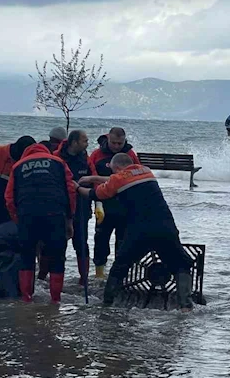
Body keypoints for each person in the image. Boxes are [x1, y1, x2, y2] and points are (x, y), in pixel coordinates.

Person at [77, 153, 195, 311]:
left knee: (121, 266)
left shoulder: (117, 179)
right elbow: (118, 180)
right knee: (181, 263)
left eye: (112, 171)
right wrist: (94, 178)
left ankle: (107, 304)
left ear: (117, 168)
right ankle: (185, 307)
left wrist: (77, 187)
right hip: (166, 226)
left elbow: (95, 194)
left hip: (140, 230)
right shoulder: (145, 170)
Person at [5, 143, 77, 303]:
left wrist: (17, 219)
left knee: (27, 256)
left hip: (27, 214)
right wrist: (70, 218)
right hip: (55, 213)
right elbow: (70, 189)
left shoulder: (17, 166)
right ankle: (55, 299)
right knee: (57, 256)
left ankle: (26, 298)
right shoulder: (58, 162)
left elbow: (9, 198)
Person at [89, 127, 141, 277]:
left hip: (125, 204)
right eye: (114, 143)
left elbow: (137, 174)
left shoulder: (130, 154)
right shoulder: (97, 154)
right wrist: (97, 201)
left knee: (124, 240)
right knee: (101, 238)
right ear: (108, 139)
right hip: (104, 204)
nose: (117, 146)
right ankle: (99, 272)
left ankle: (120, 273)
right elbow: (92, 175)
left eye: (120, 143)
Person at [54, 130, 96, 285]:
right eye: (84, 140)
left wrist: (97, 202)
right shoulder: (57, 158)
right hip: (60, 208)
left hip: (82, 208)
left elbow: (95, 179)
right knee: (57, 243)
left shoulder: (85, 158)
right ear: (74, 142)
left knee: (81, 243)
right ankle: (52, 277)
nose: (87, 143)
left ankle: (84, 278)